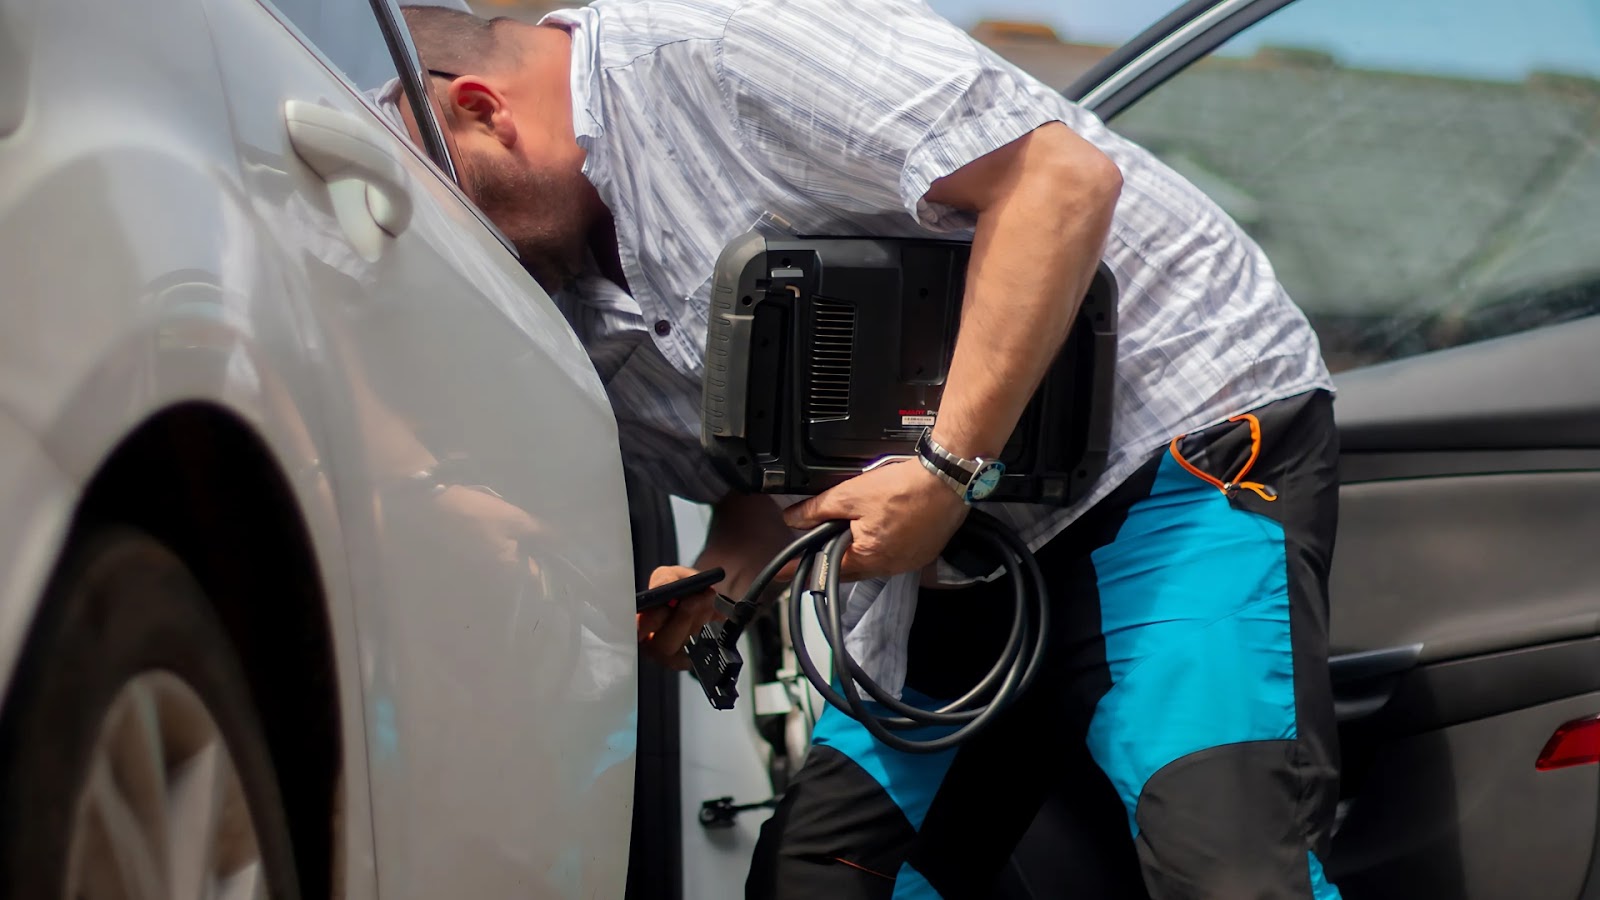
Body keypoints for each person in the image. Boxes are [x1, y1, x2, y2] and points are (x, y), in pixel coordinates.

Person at [398, 2, 1343, 897]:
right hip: (950, 556)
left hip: (1171, 454)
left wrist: (946, 468)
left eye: (464, 211)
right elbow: (763, 486)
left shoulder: (719, 44)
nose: (478, 254)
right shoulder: (562, 299)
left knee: (1229, 873)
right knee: (826, 883)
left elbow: (1059, 181)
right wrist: (717, 597)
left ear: (483, 112)